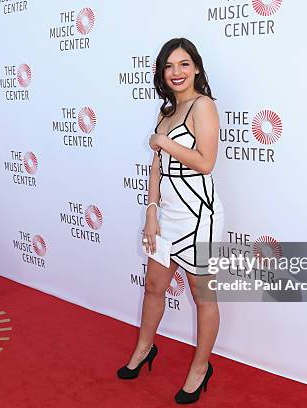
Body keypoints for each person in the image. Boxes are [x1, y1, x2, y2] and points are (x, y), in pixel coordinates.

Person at [117, 38, 224, 405]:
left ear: (196, 68)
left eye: (183, 64)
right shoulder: (166, 112)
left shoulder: (203, 106)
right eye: (169, 66)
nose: (176, 72)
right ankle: (144, 349)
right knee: (153, 287)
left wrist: (162, 141)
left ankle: (200, 367)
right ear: (162, 73)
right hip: (167, 215)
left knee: (203, 296)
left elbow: (206, 162)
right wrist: (151, 210)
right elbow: (157, 167)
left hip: (198, 216)